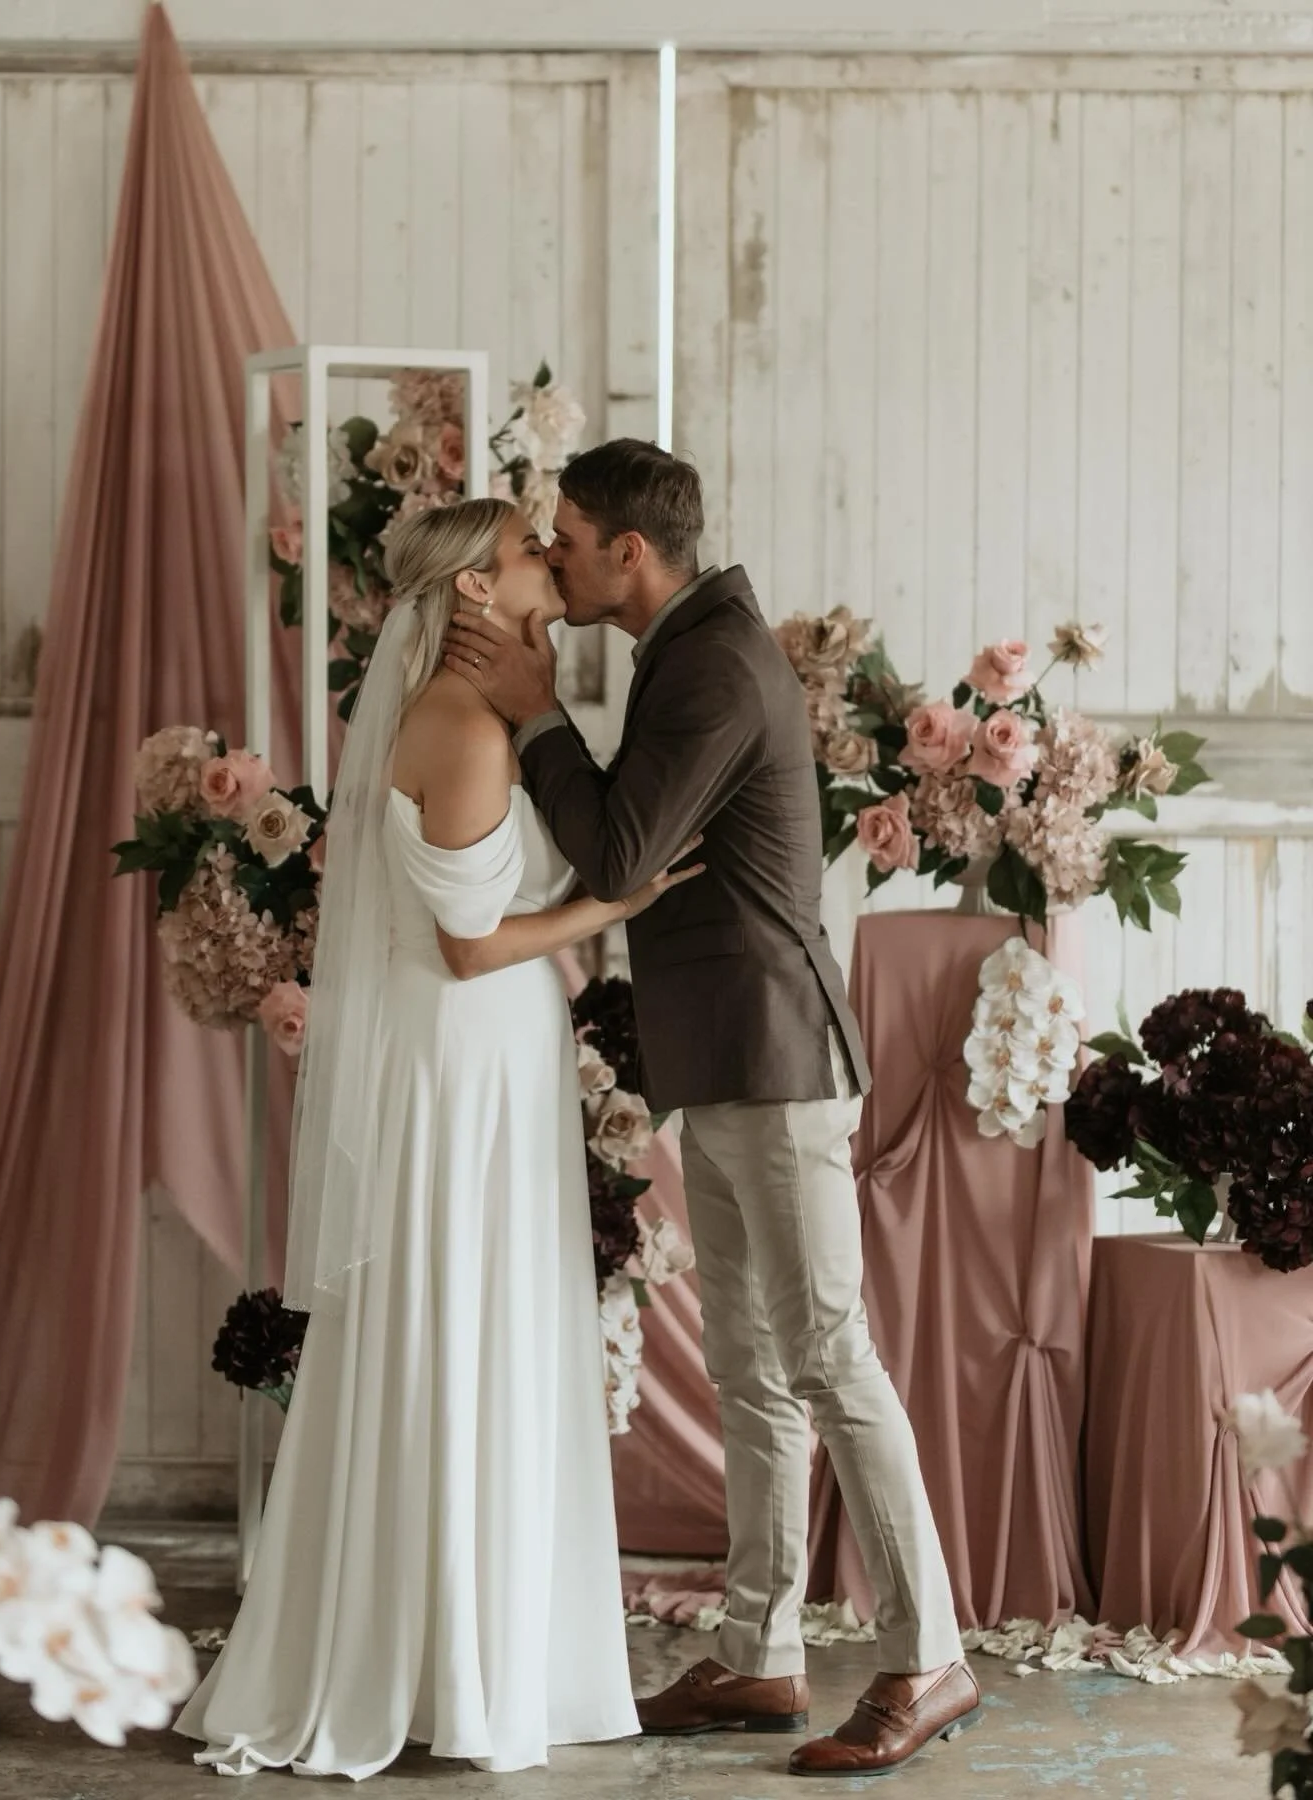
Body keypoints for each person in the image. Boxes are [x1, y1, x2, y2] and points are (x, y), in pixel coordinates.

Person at [445, 441, 981, 1780]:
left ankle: (931, 1656)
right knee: (752, 1369)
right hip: (732, 1062)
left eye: (569, 539)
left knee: (830, 1359)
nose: (553, 558)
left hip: (778, 1062)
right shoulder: (688, 649)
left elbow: (616, 852)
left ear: (631, 552)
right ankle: (760, 1655)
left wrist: (535, 712)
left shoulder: (716, 663)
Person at [176, 498, 698, 1779]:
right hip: (464, 1056)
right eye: (528, 548)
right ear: (471, 588)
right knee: (462, 1324)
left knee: (476, 1324)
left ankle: (471, 1651)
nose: (551, 558)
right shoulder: (462, 729)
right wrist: (616, 905)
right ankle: (449, 1667)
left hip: (485, 1052)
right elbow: (470, 947)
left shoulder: (477, 714)